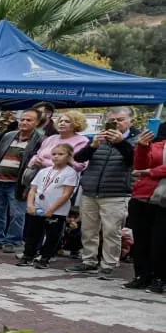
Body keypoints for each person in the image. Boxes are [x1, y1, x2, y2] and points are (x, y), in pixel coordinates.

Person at [68, 107, 135, 280]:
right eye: (112, 120)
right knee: (89, 229)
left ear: (130, 121)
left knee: (111, 231)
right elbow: (79, 158)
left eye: (120, 119)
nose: (116, 123)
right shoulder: (99, 139)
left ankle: (108, 265)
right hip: (91, 190)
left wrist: (121, 143)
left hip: (116, 192)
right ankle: (88, 260)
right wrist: (92, 146)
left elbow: (133, 161)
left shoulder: (136, 139)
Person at [0, 108, 41, 254]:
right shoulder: (9, 135)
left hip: (18, 184)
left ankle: (13, 241)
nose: (24, 122)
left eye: (29, 120)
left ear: (37, 123)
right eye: (22, 119)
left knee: (17, 214)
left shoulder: (39, 140)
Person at [20, 142, 80, 268]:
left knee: (52, 235)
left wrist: (52, 209)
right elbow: (33, 189)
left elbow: (67, 194)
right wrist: (30, 205)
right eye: (54, 154)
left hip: (56, 211)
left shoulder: (70, 173)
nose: (56, 157)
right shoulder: (43, 171)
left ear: (69, 156)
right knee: (33, 232)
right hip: (38, 207)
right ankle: (28, 255)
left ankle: (45, 257)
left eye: (60, 154)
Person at [125, 124, 166, 294]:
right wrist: (142, 146)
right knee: (141, 240)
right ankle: (142, 276)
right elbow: (139, 165)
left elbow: (144, 171)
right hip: (143, 196)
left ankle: (161, 279)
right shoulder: (157, 145)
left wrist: (150, 172)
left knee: (161, 241)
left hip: (164, 200)